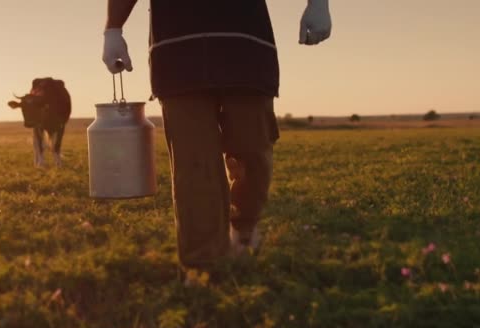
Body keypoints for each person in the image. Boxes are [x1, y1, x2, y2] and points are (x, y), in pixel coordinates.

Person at [102, 0, 332, 269]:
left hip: (248, 48)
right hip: (177, 54)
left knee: (253, 151)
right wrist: (113, 30)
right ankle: (203, 266)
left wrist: (319, 4)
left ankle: (244, 228)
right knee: (194, 167)